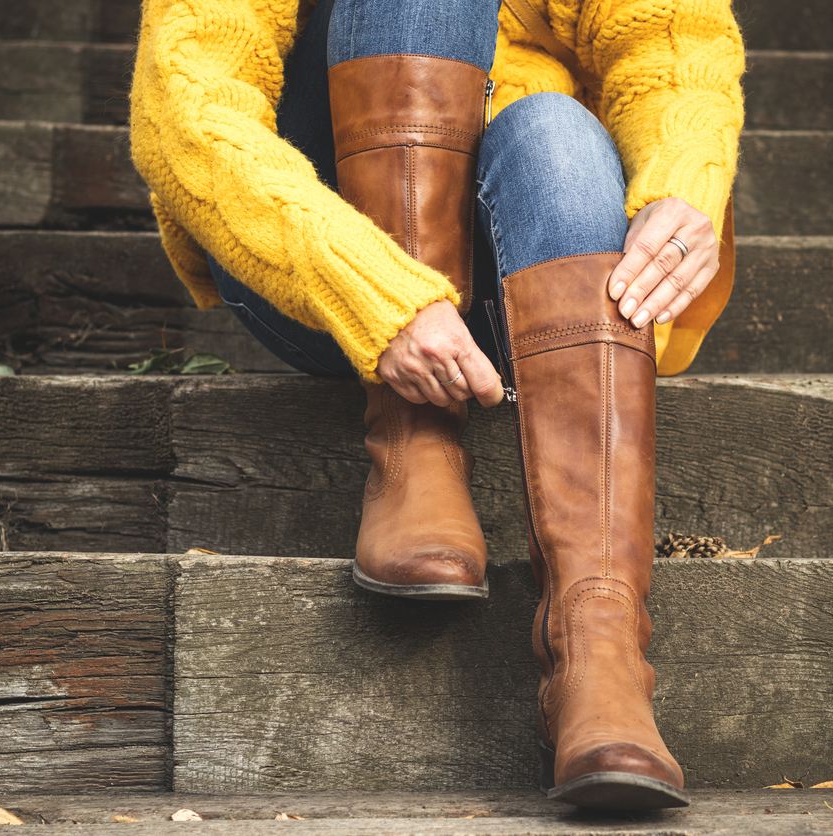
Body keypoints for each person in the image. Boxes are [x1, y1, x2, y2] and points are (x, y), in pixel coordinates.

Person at [131, 0, 743, 810]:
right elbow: (188, 101)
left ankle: (600, 652)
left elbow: (674, 43)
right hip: (322, 249)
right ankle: (413, 438)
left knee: (561, 132)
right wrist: (371, 290)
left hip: (529, 257)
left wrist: (683, 184)